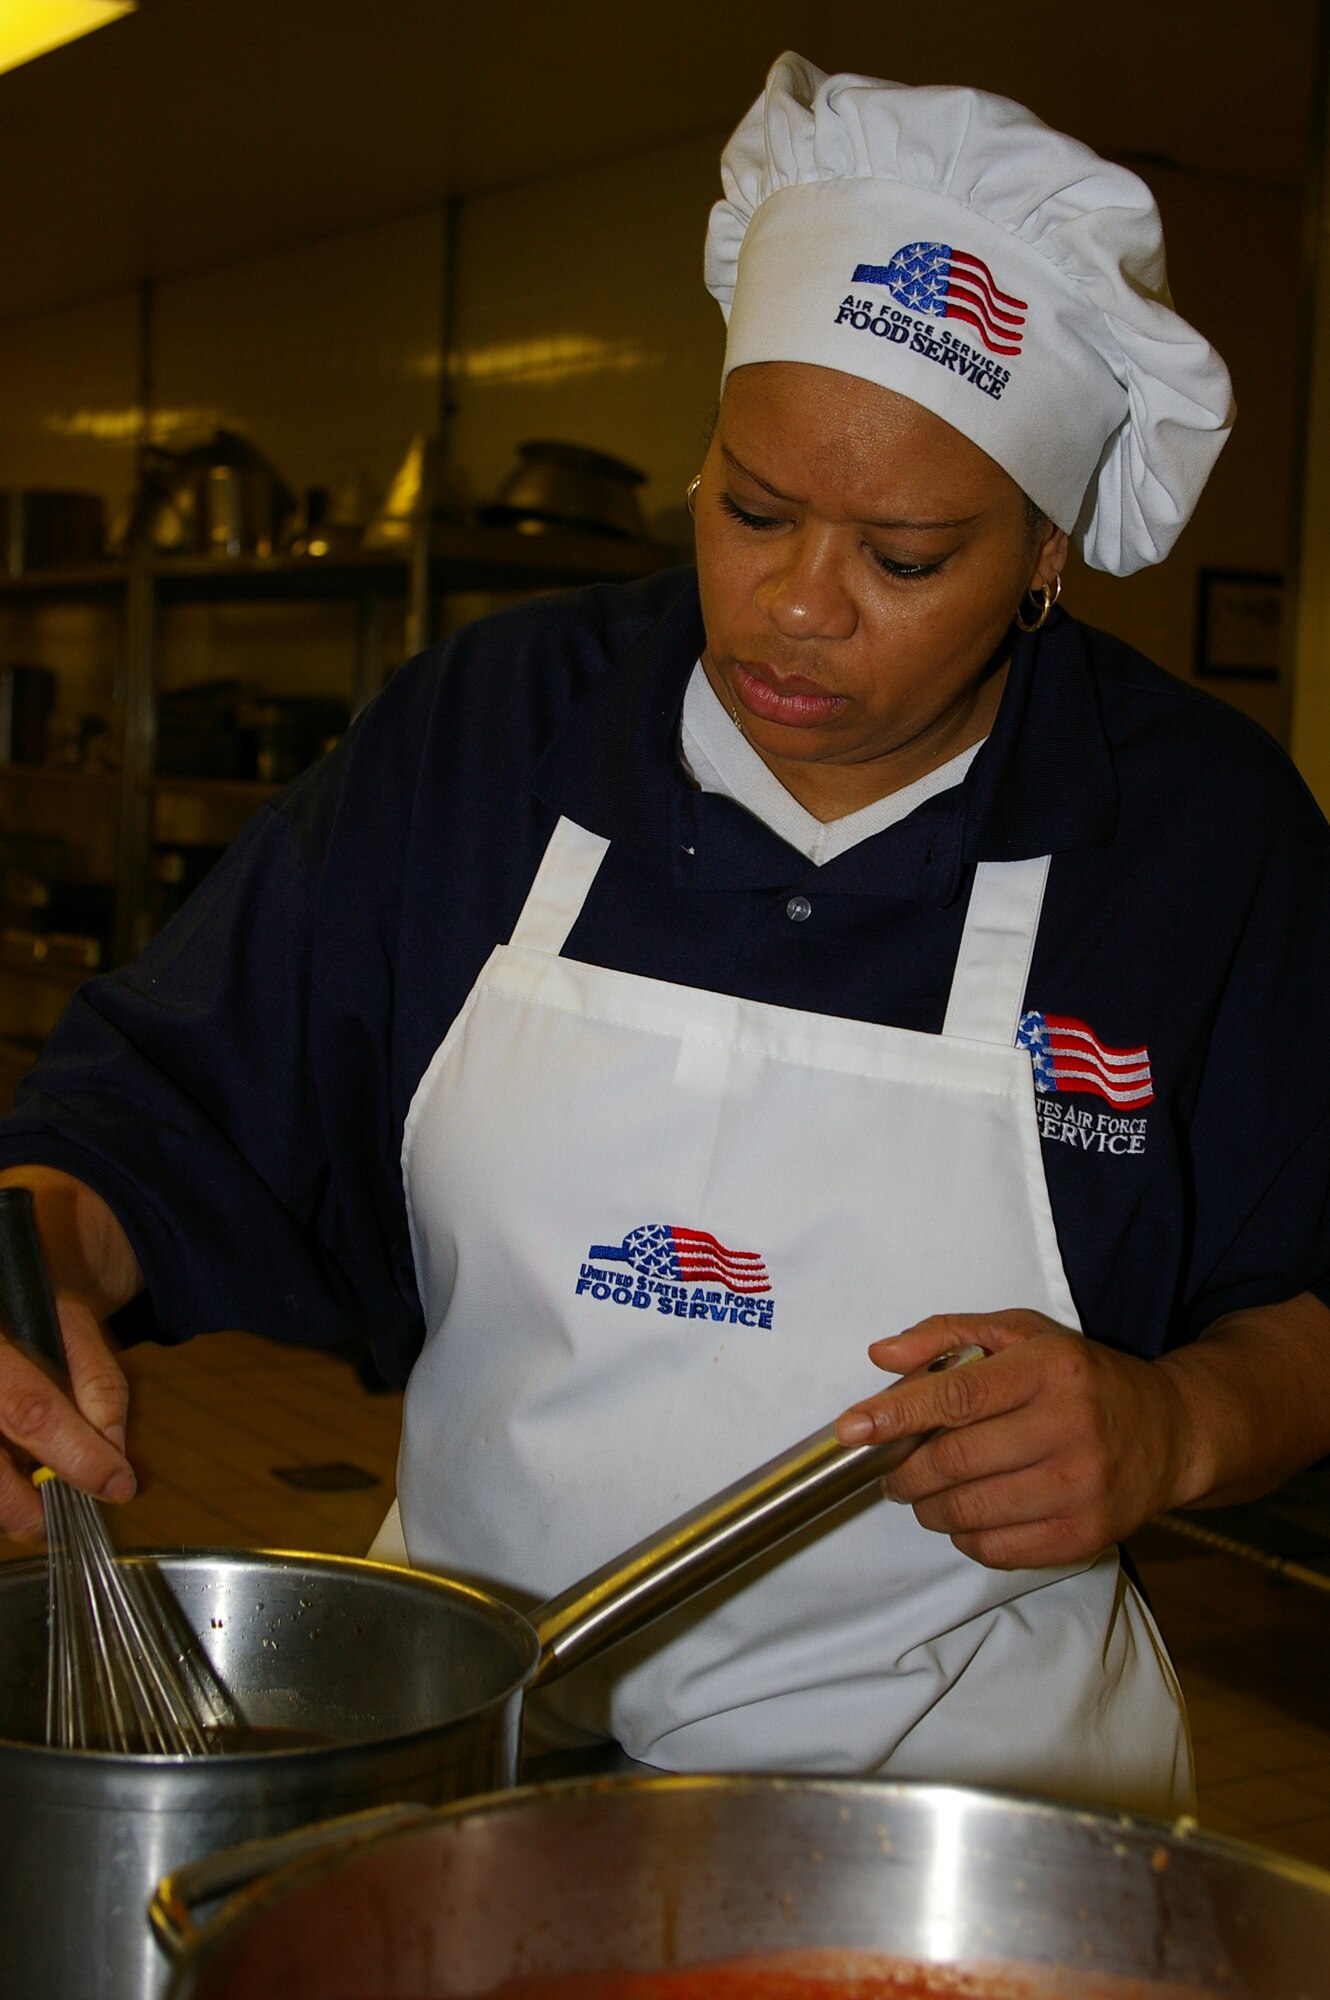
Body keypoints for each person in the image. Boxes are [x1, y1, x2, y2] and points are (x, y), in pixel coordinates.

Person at [1, 51, 1329, 1816]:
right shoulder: (492, 734)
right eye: (750, 508)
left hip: (973, 1810)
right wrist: (43, 1259)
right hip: (468, 1747)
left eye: (906, 556)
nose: (794, 607)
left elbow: (1304, 1290)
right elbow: (161, 1111)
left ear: (1042, 557)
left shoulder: (1193, 835)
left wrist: (1176, 1428)